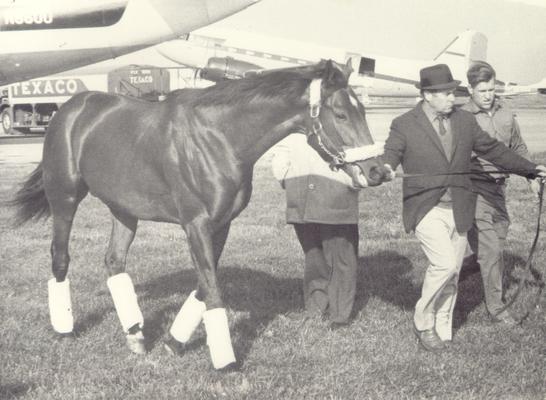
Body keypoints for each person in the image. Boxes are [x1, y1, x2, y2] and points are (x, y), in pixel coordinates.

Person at [381, 64, 546, 353]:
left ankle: (443, 327)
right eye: (444, 94)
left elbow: (494, 150)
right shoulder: (404, 123)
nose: (451, 98)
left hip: (459, 205)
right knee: (444, 264)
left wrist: (530, 170)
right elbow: (391, 153)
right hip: (425, 206)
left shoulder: (464, 121)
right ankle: (422, 320)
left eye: (452, 92)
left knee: (452, 272)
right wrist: (384, 168)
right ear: (427, 95)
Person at [460, 61, 538, 325]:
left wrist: (532, 175)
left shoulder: (506, 112)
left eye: (491, 89)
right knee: (491, 250)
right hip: (473, 188)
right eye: (482, 90)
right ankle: (496, 307)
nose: (488, 95)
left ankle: (461, 270)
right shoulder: (463, 117)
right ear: (471, 89)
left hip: (498, 190)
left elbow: (517, 146)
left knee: (497, 240)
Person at [271, 133, 362, 329]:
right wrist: (285, 176)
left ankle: (339, 315)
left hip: (336, 194)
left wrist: (352, 179)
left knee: (341, 257)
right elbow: (280, 151)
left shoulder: (340, 114)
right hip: (301, 196)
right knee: (313, 255)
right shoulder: (295, 120)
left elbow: (359, 150)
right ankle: (316, 307)